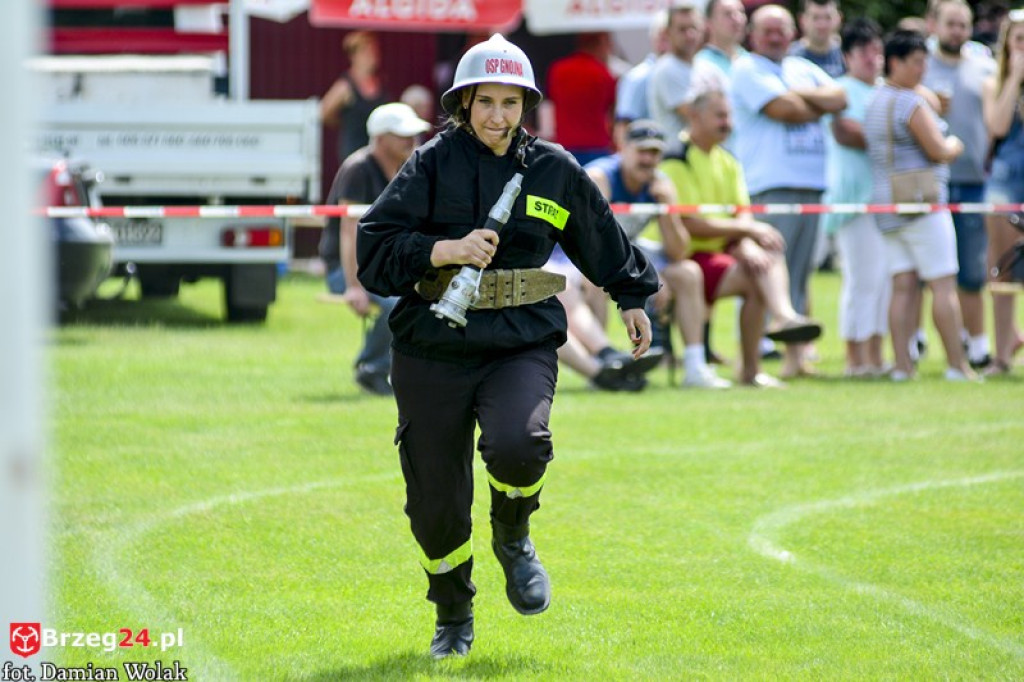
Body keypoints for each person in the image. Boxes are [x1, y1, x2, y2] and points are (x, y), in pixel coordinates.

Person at [356, 34, 658, 660]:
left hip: (520, 339)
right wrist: (443, 249)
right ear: (463, 103)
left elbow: (599, 235)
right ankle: (453, 614)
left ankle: (513, 535)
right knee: (435, 501)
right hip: (432, 345)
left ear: (527, 105)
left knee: (521, 444)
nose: (498, 116)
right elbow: (375, 250)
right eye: (486, 101)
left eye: (511, 102)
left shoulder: (553, 168)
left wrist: (631, 295)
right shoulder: (430, 163)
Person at [661, 86, 820, 387]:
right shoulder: (676, 159)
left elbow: (742, 213)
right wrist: (747, 233)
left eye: (729, 115)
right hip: (682, 257)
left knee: (764, 257)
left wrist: (746, 243)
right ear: (694, 116)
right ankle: (778, 325)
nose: (727, 123)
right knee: (758, 271)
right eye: (720, 115)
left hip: (720, 254)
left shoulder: (728, 160)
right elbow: (689, 222)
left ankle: (764, 350)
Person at [730, 4, 846, 377]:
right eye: (767, 30)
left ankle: (796, 360)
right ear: (752, 34)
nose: (775, 36)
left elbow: (840, 98)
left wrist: (799, 95)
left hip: (812, 185)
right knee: (765, 273)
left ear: (793, 33)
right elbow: (784, 109)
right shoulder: (747, 68)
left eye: (781, 29)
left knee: (798, 277)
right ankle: (753, 359)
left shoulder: (800, 68)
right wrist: (812, 103)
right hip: (770, 186)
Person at [863, 29, 976, 381]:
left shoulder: (875, 99)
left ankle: (902, 366)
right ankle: (957, 365)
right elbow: (938, 149)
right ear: (895, 62)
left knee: (902, 286)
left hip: (887, 206)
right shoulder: (909, 102)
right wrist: (955, 144)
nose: (922, 68)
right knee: (942, 285)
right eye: (916, 61)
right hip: (921, 204)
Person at [585, 119, 731, 388]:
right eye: (642, 150)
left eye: (654, 152)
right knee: (594, 282)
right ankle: (602, 366)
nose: (648, 159)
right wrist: (643, 276)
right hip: (579, 257)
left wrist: (667, 209)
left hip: (628, 252)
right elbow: (593, 244)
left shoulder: (661, 184)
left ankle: (695, 367)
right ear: (623, 148)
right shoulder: (600, 178)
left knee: (688, 272)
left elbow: (678, 252)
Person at [318, 102, 431, 395]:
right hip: (346, 268)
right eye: (402, 135)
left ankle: (411, 371)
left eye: (413, 134)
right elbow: (349, 231)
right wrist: (354, 286)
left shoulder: (407, 168)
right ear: (380, 138)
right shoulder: (358, 168)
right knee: (397, 304)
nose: (411, 140)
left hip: (385, 266)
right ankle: (371, 368)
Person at [924, 0, 998, 370]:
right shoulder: (919, 64)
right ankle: (920, 343)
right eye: (951, 23)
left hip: (974, 183)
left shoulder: (985, 65)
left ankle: (978, 346)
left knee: (971, 271)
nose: (957, 31)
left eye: (963, 25)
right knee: (930, 272)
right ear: (934, 24)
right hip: (930, 184)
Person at [822, 18, 890, 377]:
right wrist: (895, 136)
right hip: (853, 199)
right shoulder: (840, 91)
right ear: (848, 56)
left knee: (883, 281)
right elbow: (846, 132)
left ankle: (875, 355)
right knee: (861, 279)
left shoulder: (884, 90)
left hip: (884, 197)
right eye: (864, 51)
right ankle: (855, 357)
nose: (872, 57)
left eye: (877, 50)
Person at [980, 8, 1024, 374]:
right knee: (1002, 270)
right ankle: (1001, 355)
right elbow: (996, 125)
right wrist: (1015, 79)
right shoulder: (991, 83)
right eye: (1019, 40)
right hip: (1005, 182)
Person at [539, 32, 617, 165]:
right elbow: (613, 111)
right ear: (599, 44)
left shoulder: (558, 70)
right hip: (597, 146)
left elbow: (548, 103)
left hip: (565, 145)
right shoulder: (603, 73)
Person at [319, 31, 389, 163]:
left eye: (374, 51)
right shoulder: (345, 86)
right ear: (353, 56)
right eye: (366, 51)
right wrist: (346, 121)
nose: (372, 55)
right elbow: (323, 113)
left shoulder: (381, 82)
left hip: (378, 155)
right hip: (353, 154)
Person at [648, 3, 707, 150]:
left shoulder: (708, 68)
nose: (689, 35)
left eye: (693, 28)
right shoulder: (667, 69)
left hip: (704, 158)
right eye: (682, 29)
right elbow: (698, 116)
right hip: (677, 158)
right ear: (668, 33)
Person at [613, 10, 669, 146]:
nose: (666, 45)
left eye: (669, 38)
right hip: (649, 154)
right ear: (654, 39)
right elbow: (623, 128)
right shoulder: (637, 78)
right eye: (662, 38)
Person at [789, 0, 846, 78]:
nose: (822, 25)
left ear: (839, 19)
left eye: (828, 18)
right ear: (802, 20)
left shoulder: (848, 57)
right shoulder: (789, 57)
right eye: (815, 18)